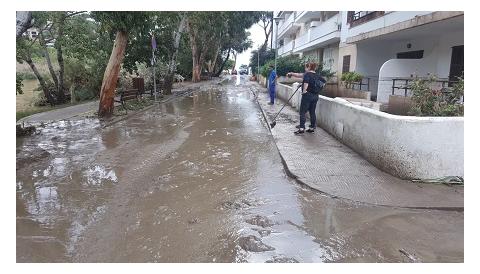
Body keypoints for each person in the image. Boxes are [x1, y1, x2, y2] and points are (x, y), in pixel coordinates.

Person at [287, 62, 326, 135]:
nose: (305, 69)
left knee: (302, 112)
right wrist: (318, 89)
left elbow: (306, 83)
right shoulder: (317, 75)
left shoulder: (307, 74)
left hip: (307, 96)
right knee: (312, 112)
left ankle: (301, 128)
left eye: (305, 67)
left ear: (309, 67)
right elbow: (323, 82)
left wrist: (304, 91)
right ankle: (312, 128)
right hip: (315, 96)